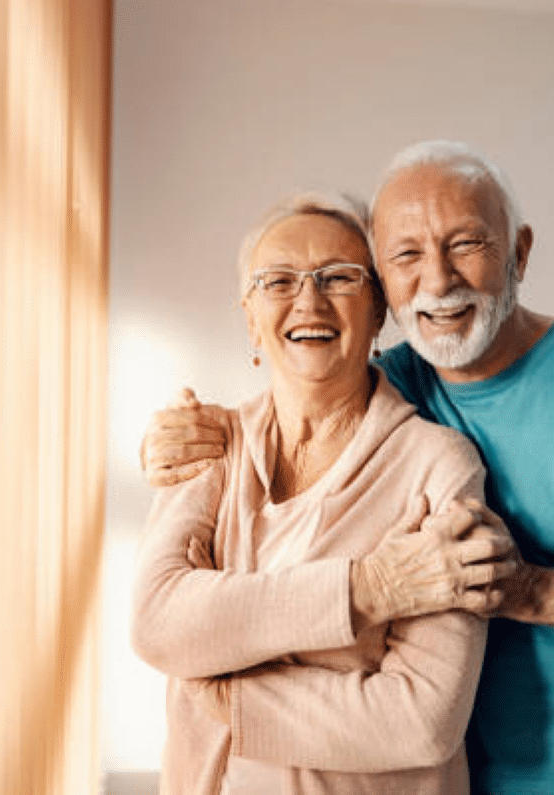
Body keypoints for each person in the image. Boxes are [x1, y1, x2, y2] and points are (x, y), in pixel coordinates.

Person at [140, 141, 554, 795]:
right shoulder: (396, 383)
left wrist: (529, 590)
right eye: (406, 255)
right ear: (385, 285)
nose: (437, 281)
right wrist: (172, 441)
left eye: (466, 244)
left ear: (519, 252)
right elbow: (306, 379)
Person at [131, 191, 516, 795]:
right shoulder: (208, 444)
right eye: (278, 281)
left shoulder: (438, 464)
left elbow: (421, 721)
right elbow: (157, 624)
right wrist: (371, 588)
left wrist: (227, 694)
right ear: (250, 317)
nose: (308, 301)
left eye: (338, 277)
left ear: (378, 309)